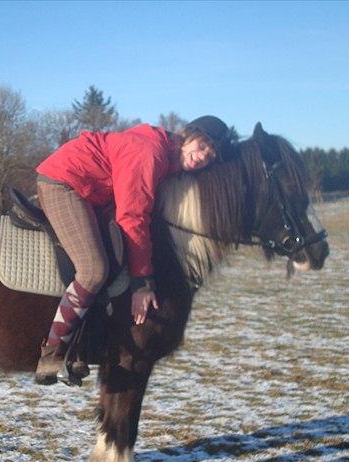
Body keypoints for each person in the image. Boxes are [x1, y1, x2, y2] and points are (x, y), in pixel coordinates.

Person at [34, 115, 230, 384]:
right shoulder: (150, 153)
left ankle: (86, 342)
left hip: (91, 190)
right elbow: (133, 216)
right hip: (65, 181)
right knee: (94, 269)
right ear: (188, 135)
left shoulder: (167, 161)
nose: (204, 156)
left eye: (212, 154)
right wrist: (142, 283)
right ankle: (52, 353)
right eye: (203, 145)